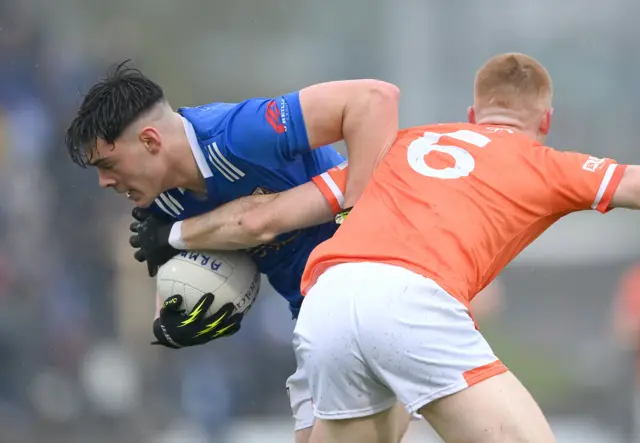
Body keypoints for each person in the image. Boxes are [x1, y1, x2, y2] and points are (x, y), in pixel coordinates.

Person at [294, 52, 640, 443]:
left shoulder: (401, 143)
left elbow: (263, 220)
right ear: (546, 120)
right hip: (411, 303)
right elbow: (631, 182)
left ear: (472, 114)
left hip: (328, 297)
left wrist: (208, 230)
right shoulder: (543, 162)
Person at [64, 61, 401, 443]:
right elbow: (232, 253)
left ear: (150, 141)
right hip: (313, 315)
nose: (104, 181)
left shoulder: (239, 133)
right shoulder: (161, 209)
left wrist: (354, 216)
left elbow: (375, 98)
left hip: (370, 293)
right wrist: (181, 317)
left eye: (107, 164)